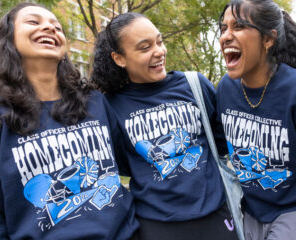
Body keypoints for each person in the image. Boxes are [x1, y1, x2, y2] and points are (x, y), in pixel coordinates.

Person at [0, 2, 139, 239]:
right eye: (34, 22)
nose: (50, 29)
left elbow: (133, 165)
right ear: (9, 39)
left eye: (57, 27)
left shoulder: (96, 103)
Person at [91, 12, 238, 240]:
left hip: (215, 216)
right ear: (119, 58)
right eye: (144, 47)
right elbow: (122, 163)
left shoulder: (194, 85)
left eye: (159, 41)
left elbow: (220, 142)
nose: (159, 51)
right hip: (156, 224)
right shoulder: (111, 105)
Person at [217, 0, 296, 239]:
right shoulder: (225, 88)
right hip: (252, 211)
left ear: (268, 39)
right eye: (223, 28)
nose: (226, 36)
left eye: (238, 26)